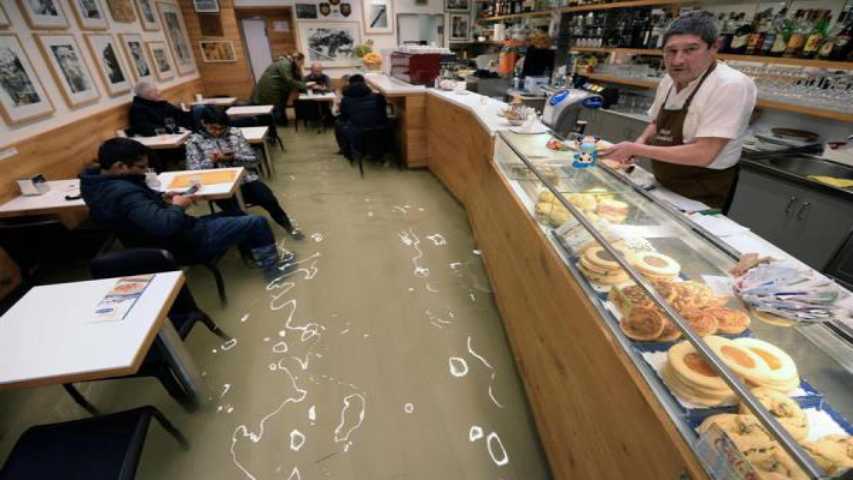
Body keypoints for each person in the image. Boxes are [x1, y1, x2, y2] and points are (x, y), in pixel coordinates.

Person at [601, 11, 757, 209]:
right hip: (664, 182)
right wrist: (640, 141)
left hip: (702, 189)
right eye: (671, 51)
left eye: (690, 50)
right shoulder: (669, 80)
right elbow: (657, 122)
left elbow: (705, 153)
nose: (677, 61)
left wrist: (635, 148)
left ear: (714, 47)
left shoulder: (730, 85)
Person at [80, 138, 295, 281]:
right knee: (257, 222)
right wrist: (178, 206)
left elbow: (138, 212)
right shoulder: (124, 193)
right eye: (141, 168)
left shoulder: (94, 184)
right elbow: (164, 226)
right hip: (181, 242)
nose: (144, 172)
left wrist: (159, 198)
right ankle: (272, 271)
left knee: (237, 214)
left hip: (145, 243)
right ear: (119, 166)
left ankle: (253, 255)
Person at [185, 107, 304, 239]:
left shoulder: (235, 133)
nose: (217, 132)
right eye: (213, 128)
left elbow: (254, 159)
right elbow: (194, 172)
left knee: (268, 199)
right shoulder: (194, 141)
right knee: (236, 214)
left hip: (245, 180)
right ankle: (252, 244)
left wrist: (233, 157)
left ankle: (289, 227)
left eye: (222, 128)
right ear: (203, 123)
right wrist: (211, 161)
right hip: (219, 187)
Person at [334, 74, 389, 159]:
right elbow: (384, 108)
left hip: (358, 131)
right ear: (365, 84)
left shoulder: (346, 100)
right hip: (381, 128)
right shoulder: (378, 97)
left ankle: (346, 151)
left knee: (338, 123)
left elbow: (343, 117)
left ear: (349, 85)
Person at [250, 52, 306, 125]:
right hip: (271, 90)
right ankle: (278, 126)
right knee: (275, 110)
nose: (301, 65)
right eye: (301, 62)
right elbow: (289, 80)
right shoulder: (285, 64)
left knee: (279, 108)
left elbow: (297, 77)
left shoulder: (288, 64)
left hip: (275, 90)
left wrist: (302, 82)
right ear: (296, 60)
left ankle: (281, 123)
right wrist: (304, 86)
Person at [128, 81, 193, 137]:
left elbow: (178, 113)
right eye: (155, 91)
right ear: (146, 94)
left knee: (198, 111)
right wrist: (169, 130)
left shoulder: (159, 102)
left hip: (179, 133)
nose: (159, 92)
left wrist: (191, 114)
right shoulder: (138, 109)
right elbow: (146, 129)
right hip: (165, 140)